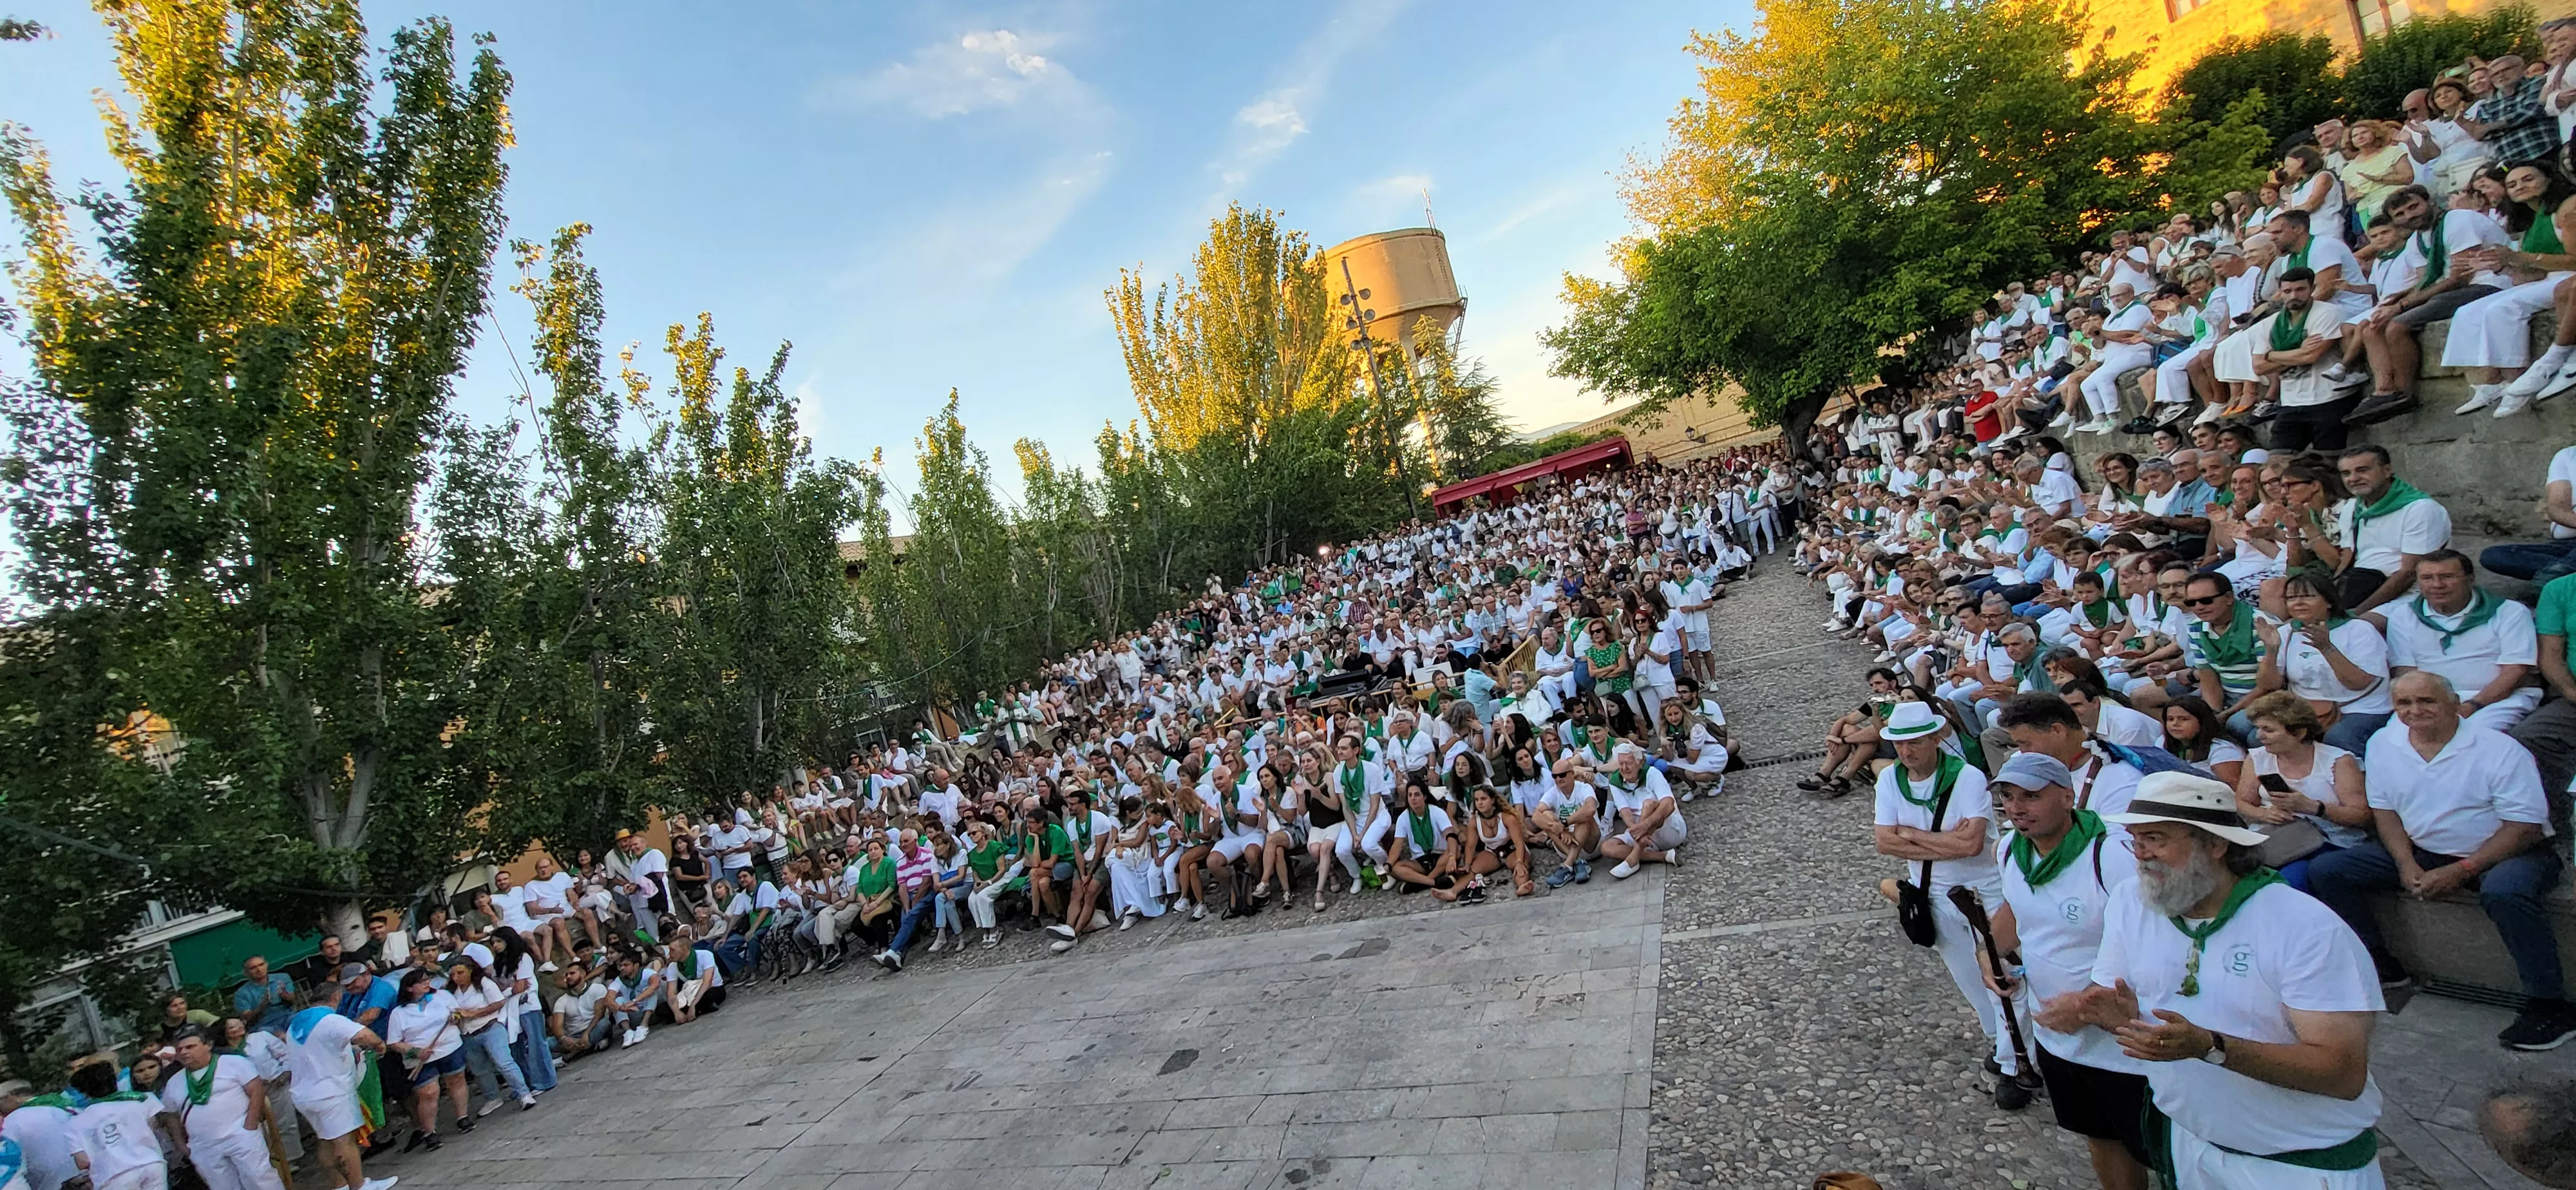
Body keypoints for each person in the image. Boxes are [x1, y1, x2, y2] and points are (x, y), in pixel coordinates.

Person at [2043, 771, 2389, 1190]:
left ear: (2216, 844)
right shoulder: (2132, 901)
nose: (2141, 855)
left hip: (2298, 1166)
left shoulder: (2305, 927)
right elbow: (2119, 998)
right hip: (2191, 1145)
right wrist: (2097, 1011)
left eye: (2156, 839)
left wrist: (2211, 1047)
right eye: (2136, 839)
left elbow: (2343, 1074)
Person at [2308, 671, 2575, 1050]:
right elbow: (2385, 812)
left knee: (2505, 892)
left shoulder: (2499, 749)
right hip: (2426, 849)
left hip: (2509, 850)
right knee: (2329, 871)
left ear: (2454, 705)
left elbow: (2525, 826)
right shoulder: (2386, 743)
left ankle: (2551, 1005)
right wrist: (2405, 864)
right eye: (2404, 703)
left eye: (2427, 701)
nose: (2415, 711)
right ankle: (2384, 966)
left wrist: (2463, 869)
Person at [1979, 751, 2148, 1190]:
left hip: (2122, 1040)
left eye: (2032, 797)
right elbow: (2017, 910)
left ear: (2068, 797)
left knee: (2151, 1144)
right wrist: (1990, 953)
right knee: (2100, 1137)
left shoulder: (2110, 855)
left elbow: (2145, 941)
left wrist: (2088, 1006)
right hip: (2060, 1034)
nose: (2016, 808)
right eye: (2008, 797)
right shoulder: (2011, 852)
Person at [1870, 701, 2023, 1106]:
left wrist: (1912, 836)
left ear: (1935, 738)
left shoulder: (1967, 778)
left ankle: (2014, 1063)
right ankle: (2004, 1042)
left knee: (2001, 974)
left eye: (1916, 742)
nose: (1907, 751)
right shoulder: (1889, 782)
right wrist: (1944, 843)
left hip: (1982, 891)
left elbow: (1972, 845)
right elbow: (1884, 841)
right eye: (1900, 744)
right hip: (1933, 892)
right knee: (1968, 978)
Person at [2381, 549, 2541, 732]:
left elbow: (2516, 671)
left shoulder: (2509, 612)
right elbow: (2406, 672)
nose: (2437, 584)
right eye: (2427, 578)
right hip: (2429, 702)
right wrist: (2433, 706)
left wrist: (2472, 705)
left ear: (2470, 579)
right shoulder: (2402, 616)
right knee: (2395, 737)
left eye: (2447, 576)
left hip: (2498, 701)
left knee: (2473, 734)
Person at [2231, 692, 2372, 893]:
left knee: (2289, 882)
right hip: (2278, 836)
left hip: (2326, 841)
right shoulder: (2258, 758)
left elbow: (2362, 816)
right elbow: (2241, 802)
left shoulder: (2338, 761)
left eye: (2268, 730)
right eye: (2258, 729)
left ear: (2299, 733)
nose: (2259, 736)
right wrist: (2265, 814)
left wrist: (2313, 807)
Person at [279, 980, 397, 1190]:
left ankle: (339, 1185)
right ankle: (359, 1186)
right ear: (336, 997)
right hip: (331, 1092)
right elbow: (363, 1034)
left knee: (325, 1141)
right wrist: (379, 1044)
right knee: (345, 1143)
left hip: (305, 1093)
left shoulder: (295, 1024)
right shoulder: (329, 1019)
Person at [158, 1028, 286, 1190]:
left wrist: (250, 1124)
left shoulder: (233, 1063)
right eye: (179, 1049)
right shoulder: (174, 1082)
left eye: (190, 1047)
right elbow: (171, 1116)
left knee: (260, 1179)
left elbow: (256, 1089)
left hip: (240, 1134)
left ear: (208, 1045)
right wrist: (181, 1145)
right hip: (203, 1145)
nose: (184, 1052)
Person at [379, 971, 467, 1153]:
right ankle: (429, 1132)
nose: (427, 983)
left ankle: (463, 1117)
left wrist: (456, 1018)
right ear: (409, 988)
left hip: (450, 1047)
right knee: (428, 1092)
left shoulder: (442, 996)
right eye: (422, 981)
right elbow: (394, 1042)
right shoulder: (398, 1013)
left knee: (456, 1079)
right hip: (421, 1058)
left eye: (427, 979)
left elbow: (459, 1013)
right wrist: (415, 1052)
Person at [64, 1061, 165, 1190]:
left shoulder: (75, 1122)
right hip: (152, 1163)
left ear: (84, 1092)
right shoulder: (137, 1102)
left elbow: (83, 1162)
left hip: (113, 1175)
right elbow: (154, 1127)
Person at [1596, 742, 1685, 877]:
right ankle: (1662, 856)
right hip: (1642, 832)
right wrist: (1637, 830)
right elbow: (1625, 813)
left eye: (1628, 763)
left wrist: (1645, 826)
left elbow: (1669, 804)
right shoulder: (1616, 782)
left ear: (1640, 762)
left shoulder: (1652, 774)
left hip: (1669, 829)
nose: (1624, 768)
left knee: (1649, 804)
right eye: (1621, 764)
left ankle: (1634, 859)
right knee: (1606, 847)